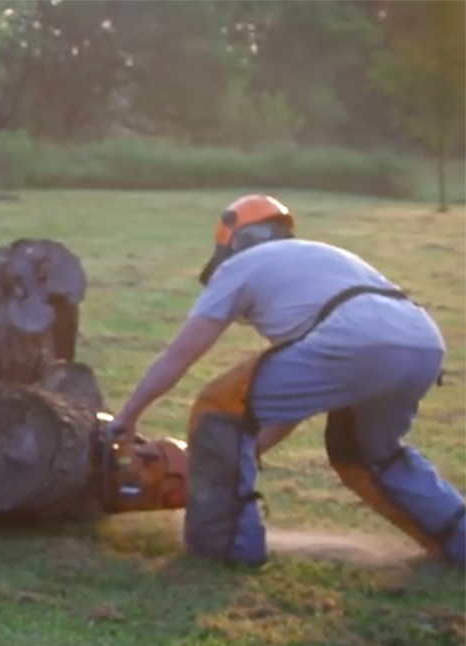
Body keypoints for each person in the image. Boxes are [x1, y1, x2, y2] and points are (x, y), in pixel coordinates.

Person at [106, 193, 465, 566]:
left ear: (232, 244)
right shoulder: (322, 257)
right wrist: (241, 453)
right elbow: (290, 404)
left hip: (353, 338)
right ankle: (459, 542)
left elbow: (178, 357)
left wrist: (127, 418)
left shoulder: (238, 267)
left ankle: (226, 549)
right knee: (367, 454)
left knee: (219, 407)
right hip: (421, 341)